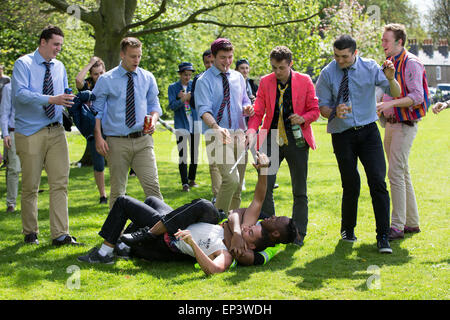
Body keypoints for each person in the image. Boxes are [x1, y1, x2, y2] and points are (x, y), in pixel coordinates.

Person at [78, 152, 298, 274]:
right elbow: (257, 199)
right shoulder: (249, 230)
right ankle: (126, 245)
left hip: (172, 237)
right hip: (179, 224)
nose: (270, 217)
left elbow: (215, 269)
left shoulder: (240, 252)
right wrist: (264, 171)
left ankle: (105, 253)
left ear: (276, 235)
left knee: (124, 202)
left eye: (277, 220)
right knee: (152, 200)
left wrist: (193, 244)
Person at [315, 34, 401, 254]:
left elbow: (396, 92)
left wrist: (391, 78)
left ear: (355, 53)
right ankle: (348, 230)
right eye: (336, 56)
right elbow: (322, 108)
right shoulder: (327, 73)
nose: (340, 61)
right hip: (342, 134)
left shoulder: (370, 67)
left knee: (377, 181)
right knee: (351, 183)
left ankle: (383, 236)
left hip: (368, 132)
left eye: (344, 56)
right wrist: (334, 111)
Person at [11, 25, 81, 246]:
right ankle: (30, 232)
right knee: (31, 185)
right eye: (55, 44)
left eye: (60, 44)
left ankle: (60, 234)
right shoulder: (23, 64)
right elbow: (20, 95)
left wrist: (73, 100)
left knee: (60, 183)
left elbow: (64, 92)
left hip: (56, 130)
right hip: (30, 131)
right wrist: (51, 99)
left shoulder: (59, 66)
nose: (58, 49)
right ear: (43, 42)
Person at [247, 46, 320, 247]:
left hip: (297, 139)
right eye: (273, 67)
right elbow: (258, 111)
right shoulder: (265, 82)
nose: (276, 72)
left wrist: (303, 118)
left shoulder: (304, 80)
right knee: (266, 185)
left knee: (299, 189)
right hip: (270, 137)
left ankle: (298, 234)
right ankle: (270, 231)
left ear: (290, 64)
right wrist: (252, 131)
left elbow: (315, 110)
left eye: (280, 68)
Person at [92, 37, 163, 209]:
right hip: (116, 141)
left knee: (153, 188)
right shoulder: (106, 80)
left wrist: (153, 120)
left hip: (143, 140)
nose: (136, 60)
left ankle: (164, 234)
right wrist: (99, 138)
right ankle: (114, 235)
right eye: (132, 56)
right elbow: (96, 112)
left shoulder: (147, 77)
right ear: (122, 55)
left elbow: (155, 106)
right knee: (118, 192)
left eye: (139, 56)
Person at [377, 24, 430, 240]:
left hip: (405, 125)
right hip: (390, 124)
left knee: (395, 173)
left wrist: (390, 104)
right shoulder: (389, 63)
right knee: (402, 172)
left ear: (400, 42)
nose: (383, 44)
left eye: (386, 40)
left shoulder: (412, 63)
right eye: (382, 40)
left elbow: (417, 96)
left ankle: (396, 226)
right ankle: (412, 222)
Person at [195, 38, 254, 213]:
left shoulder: (238, 77)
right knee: (231, 179)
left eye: (230, 57)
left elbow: (243, 101)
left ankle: (230, 226)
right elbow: (203, 110)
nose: (227, 62)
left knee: (237, 190)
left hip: (239, 134)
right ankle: (214, 221)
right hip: (216, 134)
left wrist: (247, 108)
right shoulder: (203, 81)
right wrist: (215, 127)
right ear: (213, 57)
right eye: (222, 57)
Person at [75, 57, 108, 204]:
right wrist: (89, 64)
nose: (99, 76)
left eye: (101, 72)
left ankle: (120, 192)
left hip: (112, 127)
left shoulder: (110, 82)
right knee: (99, 164)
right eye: (95, 74)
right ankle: (103, 195)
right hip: (94, 130)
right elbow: (78, 81)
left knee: (117, 162)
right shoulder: (88, 86)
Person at [190, 49, 219, 202]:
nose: (209, 65)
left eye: (211, 62)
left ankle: (230, 191)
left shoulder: (226, 77)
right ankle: (217, 194)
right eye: (206, 63)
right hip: (209, 125)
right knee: (214, 163)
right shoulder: (199, 79)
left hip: (228, 124)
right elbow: (195, 103)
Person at [168, 62, 200, 192]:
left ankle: (192, 179)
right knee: (183, 154)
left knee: (195, 153)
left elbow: (199, 102)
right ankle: (184, 183)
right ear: (180, 74)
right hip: (181, 124)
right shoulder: (173, 88)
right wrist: (182, 99)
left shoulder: (195, 86)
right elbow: (172, 106)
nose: (187, 77)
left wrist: (190, 97)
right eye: (185, 75)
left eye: (189, 74)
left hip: (195, 123)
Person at [0, 82, 21, 212]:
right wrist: (5, 134)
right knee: (14, 168)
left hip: (31, 130)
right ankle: (11, 203)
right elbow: (4, 112)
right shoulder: (9, 88)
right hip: (13, 131)